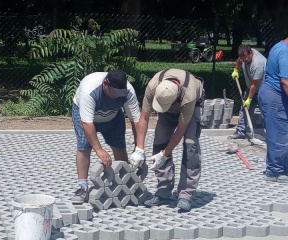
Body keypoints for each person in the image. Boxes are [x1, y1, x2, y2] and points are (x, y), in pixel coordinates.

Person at [129, 68, 205, 211]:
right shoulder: (153, 86)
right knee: (160, 142)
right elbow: (144, 118)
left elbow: (181, 129)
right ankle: (163, 192)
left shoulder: (188, 95)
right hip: (170, 101)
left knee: (190, 147)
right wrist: (139, 148)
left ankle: (185, 195)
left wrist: (165, 155)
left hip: (193, 105)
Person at [71, 69, 141, 204]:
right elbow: (87, 123)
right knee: (84, 147)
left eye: (120, 94)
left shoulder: (128, 91)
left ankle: (125, 183)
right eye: (114, 93)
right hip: (86, 118)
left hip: (113, 117)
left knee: (119, 147)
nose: (116, 97)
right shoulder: (89, 90)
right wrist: (99, 149)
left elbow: (136, 121)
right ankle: (82, 187)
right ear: (105, 84)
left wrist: (139, 148)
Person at [258, 37, 288, 183]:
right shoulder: (285, 52)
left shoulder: (280, 47)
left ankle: (283, 168)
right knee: (279, 134)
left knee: (282, 132)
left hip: (275, 95)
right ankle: (274, 171)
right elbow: (285, 81)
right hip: (275, 97)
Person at [228, 44, 267, 139]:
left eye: (245, 59)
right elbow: (239, 60)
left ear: (251, 53)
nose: (244, 61)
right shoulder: (244, 55)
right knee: (244, 110)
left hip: (263, 89)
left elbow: (255, 85)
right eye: (243, 59)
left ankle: (271, 135)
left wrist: (249, 100)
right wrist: (236, 69)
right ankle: (241, 131)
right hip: (251, 87)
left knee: (266, 112)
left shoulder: (258, 64)